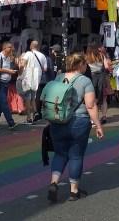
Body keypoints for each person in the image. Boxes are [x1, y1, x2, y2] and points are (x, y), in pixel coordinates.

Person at [47, 52, 104, 202]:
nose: (86, 67)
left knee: (60, 154)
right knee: (76, 155)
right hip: (79, 121)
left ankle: (54, 183)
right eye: (85, 64)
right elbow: (90, 105)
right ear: (80, 65)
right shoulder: (85, 81)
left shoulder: (58, 78)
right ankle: (74, 191)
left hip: (57, 121)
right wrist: (97, 125)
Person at [0, 42, 18, 130]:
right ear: (4, 48)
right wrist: (9, 71)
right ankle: (11, 123)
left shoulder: (8, 58)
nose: (11, 49)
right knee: (4, 103)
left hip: (5, 83)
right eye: (10, 47)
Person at [19, 40, 47, 124]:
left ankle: (29, 118)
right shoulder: (42, 56)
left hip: (28, 77)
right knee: (33, 97)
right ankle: (36, 113)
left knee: (27, 98)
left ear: (31, 46)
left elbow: (22, 65)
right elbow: (45, 69)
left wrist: (20, 73)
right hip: (37, 78)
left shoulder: (28, 54)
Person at [85, 43, 110, 124]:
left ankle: (93, 119)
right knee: (103, 98)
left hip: (91, 78)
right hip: (101, 78)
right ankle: (104, 116)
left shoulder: (87, 56)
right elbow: (106, 67)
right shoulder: (101, 55)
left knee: (92, 99)